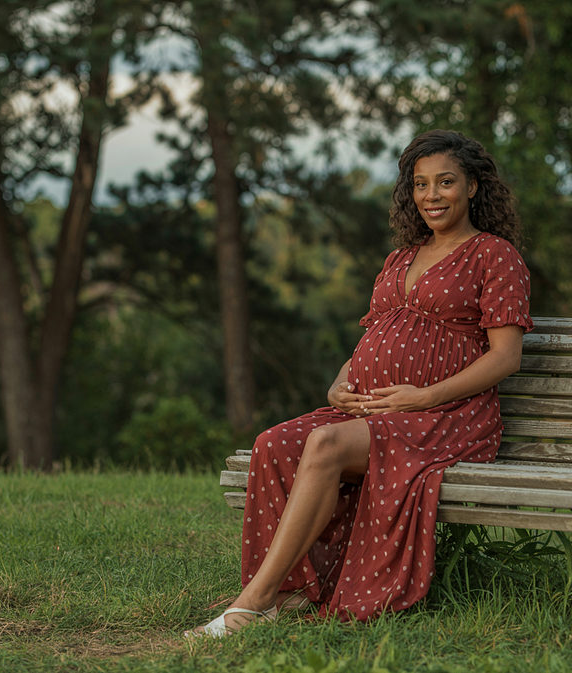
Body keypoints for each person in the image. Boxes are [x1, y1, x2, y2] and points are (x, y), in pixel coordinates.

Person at [186, 129, 532, 637]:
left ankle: (252, 602)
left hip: (449, 418)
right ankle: (292, 593)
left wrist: (425, 396)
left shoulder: (493, 254)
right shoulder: (401, 258)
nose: (432, 195)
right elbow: (373, 337)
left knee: (323, 444)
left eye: (446, 182)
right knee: (275, 443)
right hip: (375, 410)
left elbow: (506, 358)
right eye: (420, 184)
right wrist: (338, 384)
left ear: (474, 187)